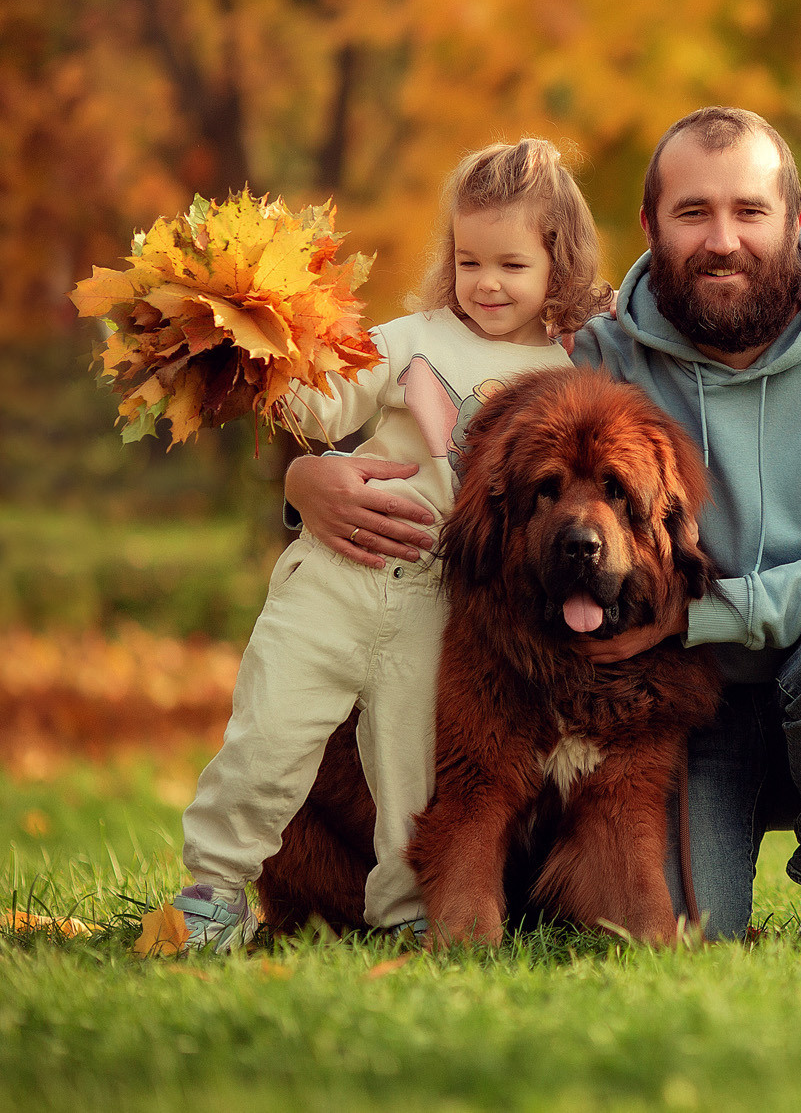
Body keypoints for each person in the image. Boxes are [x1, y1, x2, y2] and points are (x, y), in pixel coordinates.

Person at [286, 108, 801, 942]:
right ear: (649, 225)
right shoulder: (590, 351)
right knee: (665, 928)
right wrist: (306, 476)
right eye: (692, 212)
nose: (722, 239)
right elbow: (449, 418)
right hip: (680, 705)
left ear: (793, 219)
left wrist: (697, 612)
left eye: (749, 211)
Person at [175, 138, 609, 951]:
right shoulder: (410, 337)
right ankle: (211, 889)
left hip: (434, 600)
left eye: (512, 265)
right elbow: (321, 407)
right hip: (336, 576)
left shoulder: (568, 368)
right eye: (470, 258)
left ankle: (407, 912)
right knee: (270, 733)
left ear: (559, 261)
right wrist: (267, 352)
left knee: (416, 772)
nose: (486, 282)